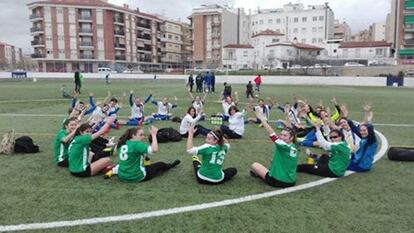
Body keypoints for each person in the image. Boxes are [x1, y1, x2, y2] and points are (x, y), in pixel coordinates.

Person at [104, 126, 180, 181]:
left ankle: (113, 172)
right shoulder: (137, 145)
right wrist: (154, 135)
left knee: (123, 164)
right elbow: (154, 149)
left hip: (122, 176)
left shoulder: (122, 144)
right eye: (141, 135)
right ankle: (171, 165)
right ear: (133, 136)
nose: (143, 137)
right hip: (136, 176)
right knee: (160, 165)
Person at [250, 110, 298, 188]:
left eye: (285, 136)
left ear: (291, 138)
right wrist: (286, 115)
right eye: (281, 135)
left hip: (277, 181)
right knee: (273, 162)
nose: (282, 137)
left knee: (254, 165)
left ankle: (262, 175)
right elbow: (291, 130)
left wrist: (262, 120)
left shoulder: (283, 145)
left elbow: (272, 134)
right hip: (291, 181)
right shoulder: (295, 145)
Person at [347, 104, 377, 172]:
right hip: (357, 160)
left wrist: (367, 113)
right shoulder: (364, 138)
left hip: (362, 166)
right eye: (361, 130)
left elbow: (369, 127)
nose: (362, 132)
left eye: (364, 130)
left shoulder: (371, 140)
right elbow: (355, 128)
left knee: (341, 164)